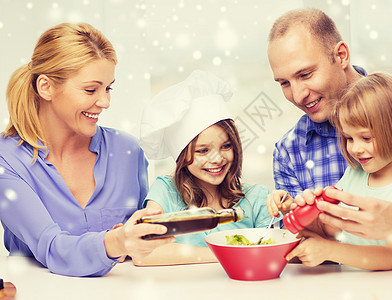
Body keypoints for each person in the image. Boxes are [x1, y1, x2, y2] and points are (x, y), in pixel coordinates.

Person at [0, 23, 174, 277]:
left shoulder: (127, 152)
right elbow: (51, 247)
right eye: (91, 89)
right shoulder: (8, 160)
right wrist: (117, 241)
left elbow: (143, 242)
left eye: (108, 88)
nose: (105, 102)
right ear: (46, 87)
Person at [266, 8, 392, 241]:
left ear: (341, 55)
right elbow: (299, 249)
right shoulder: (289, 152)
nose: (298, 95)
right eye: (284, 83)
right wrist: (294, 216)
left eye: (306, 74)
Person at [281, 73, 392, 270]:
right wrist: (306, 214)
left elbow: (390, 258)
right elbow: (331, 230)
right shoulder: (354, 175)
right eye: (349, 138)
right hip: (355, 287)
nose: (355, 149)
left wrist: (328, 250)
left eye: (366, 138)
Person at [135, 70, 274, 266]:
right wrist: (226, 255)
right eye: (202, 151)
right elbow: (143, 252)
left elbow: (270, 254)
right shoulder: (165, 191)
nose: (217, 159)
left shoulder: (257, 198)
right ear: (182, 156)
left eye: (226, 146)